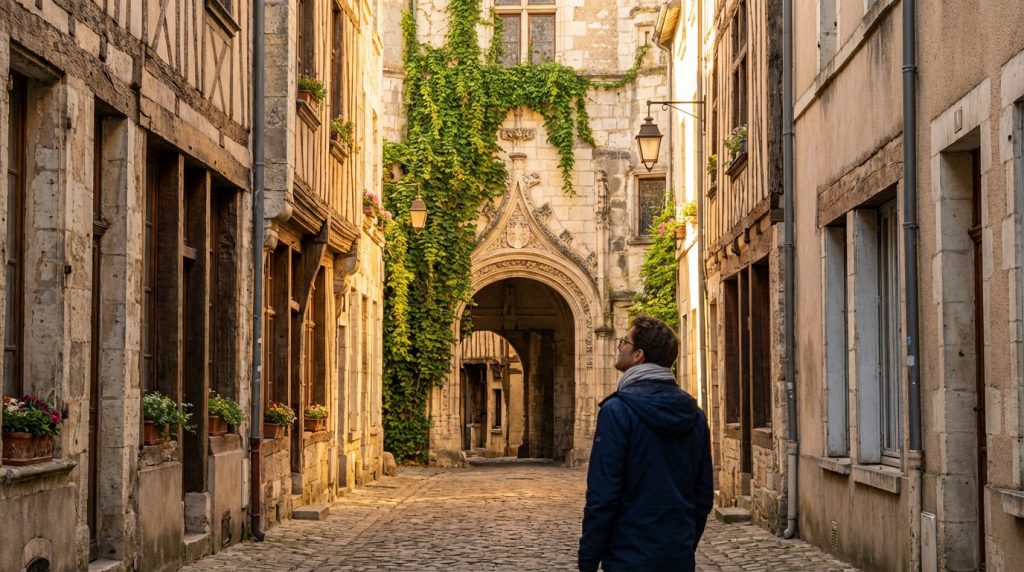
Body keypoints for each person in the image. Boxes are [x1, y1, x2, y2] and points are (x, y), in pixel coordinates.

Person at [578, 315, 714, 572]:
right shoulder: (694, 414)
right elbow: (703, 494)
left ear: (639, 355)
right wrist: (683, 545)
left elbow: (603, 494)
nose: (619, 347)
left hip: (627, 557)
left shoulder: (617, 411)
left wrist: (588, 560)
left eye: (624, 342)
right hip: (677, 556)